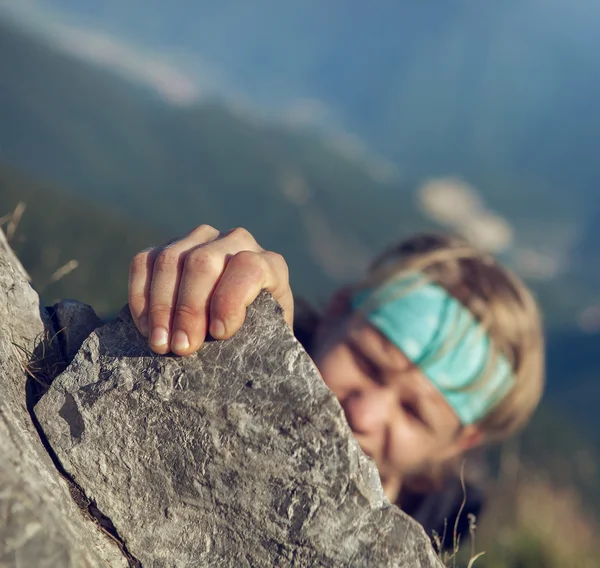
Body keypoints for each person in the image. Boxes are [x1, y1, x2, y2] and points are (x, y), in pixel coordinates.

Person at [128, 226, 545, 549]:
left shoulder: (444, 531)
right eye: (367, 363)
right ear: (335, 311)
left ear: (459, 444)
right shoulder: (228, 350)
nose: (364, 414)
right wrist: (226, 328)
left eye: (415, 413)